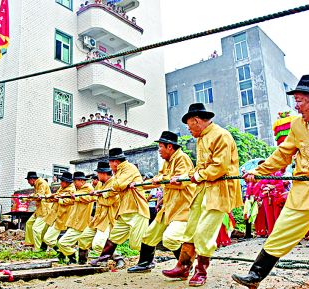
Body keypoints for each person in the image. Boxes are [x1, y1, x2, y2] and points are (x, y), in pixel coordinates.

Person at [232, 74, 309, 288]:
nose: (296, 107)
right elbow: (283, 154)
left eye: (299, 101)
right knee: (283, 230)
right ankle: (255, 275)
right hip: (307, 187)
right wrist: (259, 171)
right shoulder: (297, 126)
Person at [162, 103, 242, 286]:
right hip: (203, 189)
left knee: (203, 232)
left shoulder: (221, 135)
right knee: (190, 229)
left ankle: (201, 271)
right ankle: (183, 266)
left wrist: (196, 176)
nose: (188, 129)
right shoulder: (201, 139)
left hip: (219, 190)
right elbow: (200, 169)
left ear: (196, 120)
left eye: (189, 125)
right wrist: (185, 178)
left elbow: (219, 167)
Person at [128, 131, 196, 273]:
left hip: (183, 207)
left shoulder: (182, 158)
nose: (159, 150)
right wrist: (139, 184)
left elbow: (181, 181)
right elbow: (158, 180)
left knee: (171, 238)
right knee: (149, 235)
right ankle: (145, 263)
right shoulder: (167, 162)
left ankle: (185, 266)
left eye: (160, 147)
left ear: (169, 147)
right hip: (169, 208)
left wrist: (162, 179)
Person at [91, 148, 150, 266]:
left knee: (136, 244)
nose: (109, 166)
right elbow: (115, 189)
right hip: (124, 210)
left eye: (110, 163)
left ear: (115, 162)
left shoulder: (129, 168)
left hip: (136, 209)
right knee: (114, 236)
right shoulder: (119, 172)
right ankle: (103, 258)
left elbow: (117, 185)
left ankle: (149, 261)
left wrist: (106, 191)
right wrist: (105, 192)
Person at [79, 162, 122, 266]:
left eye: (98, 173)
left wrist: (98, 196)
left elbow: (109, 202)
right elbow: (95, 198)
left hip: (107, 218)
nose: (97, 176)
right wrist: (94, 195)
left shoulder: (114, 184)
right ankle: (82, 262)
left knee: (98, 244)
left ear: (103, 173)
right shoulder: (99, 184)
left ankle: (118, 258)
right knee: (83, 239)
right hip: (98, 217)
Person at [57, 172, 94, 264]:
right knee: (85, 243)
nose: (73, 183)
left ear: (81, 181)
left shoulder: (88, 188)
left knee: (63, 242)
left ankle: (73, 257)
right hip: (76, 222)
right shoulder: (78, 189)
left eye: (75, 181)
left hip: (81, 222)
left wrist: (75, 197)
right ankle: (79, 260)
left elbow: (88, 198)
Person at [43, 172, 76, 260]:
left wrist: (60, 200)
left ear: (67, 182)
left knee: (48, 239)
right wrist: (52, 197)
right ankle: (62, 252)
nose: (61, 183)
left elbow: (71, 201)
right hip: (55, 215)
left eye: (62, 181)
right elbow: (55, 197)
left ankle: (69, 254)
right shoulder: (62, 188)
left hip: (63, 216)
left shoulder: (72, 190)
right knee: (48, 239)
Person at [23, 172, 52, 251]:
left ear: (32, 179)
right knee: (29, 223)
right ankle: (30, 243)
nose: (28, 183)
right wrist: (26, 198)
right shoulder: (37, 184)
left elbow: (40, 196)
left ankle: (38, 249)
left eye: (28, 181)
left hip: (44, 209)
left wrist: (30, 197)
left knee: (36, 229)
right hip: (39, 209)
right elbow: (36, 195)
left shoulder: (41, 183)